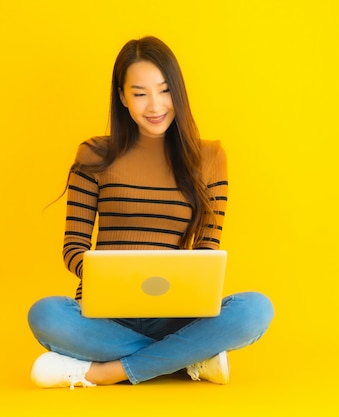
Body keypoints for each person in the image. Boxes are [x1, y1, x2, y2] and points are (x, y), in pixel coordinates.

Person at [27, 36, 274, 388]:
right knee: (46, 314)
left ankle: (104, 372)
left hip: (174, 315)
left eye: (164, 90)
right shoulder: (93, 155)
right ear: (123, 96)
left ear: (179, 92)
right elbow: (73, 248)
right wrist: (110, 276)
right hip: (102, 315)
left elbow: (207, 249)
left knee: (255, 310)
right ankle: (188, 359)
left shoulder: (210, 160)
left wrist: (188, 283)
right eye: (140, 93)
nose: (155, 105)